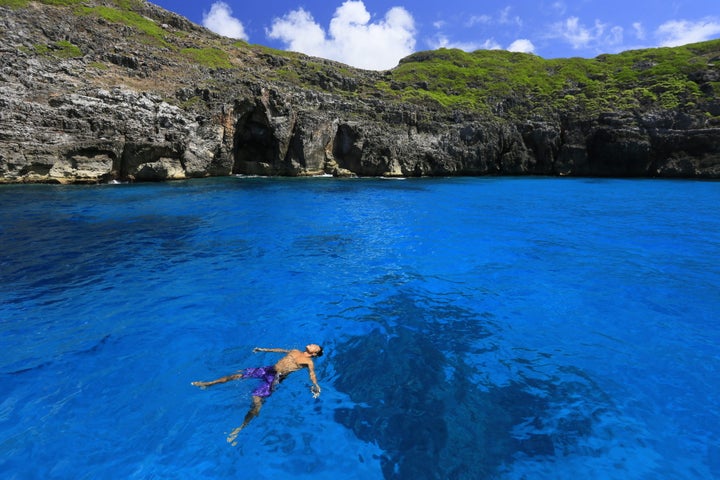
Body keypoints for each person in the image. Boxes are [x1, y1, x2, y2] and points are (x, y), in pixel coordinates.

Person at [192, 344, 324, 444]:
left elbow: (312, 374)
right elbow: (280, 351)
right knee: (237, 375)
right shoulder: (295, 351)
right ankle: (208, 384)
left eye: (315, 346)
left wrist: (315, 385)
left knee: (256, 400)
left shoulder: (308, 362)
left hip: (276, 378)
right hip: (268, 370)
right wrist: (263, 350)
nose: (311, 344)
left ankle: (240, 428)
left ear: (314, 353)